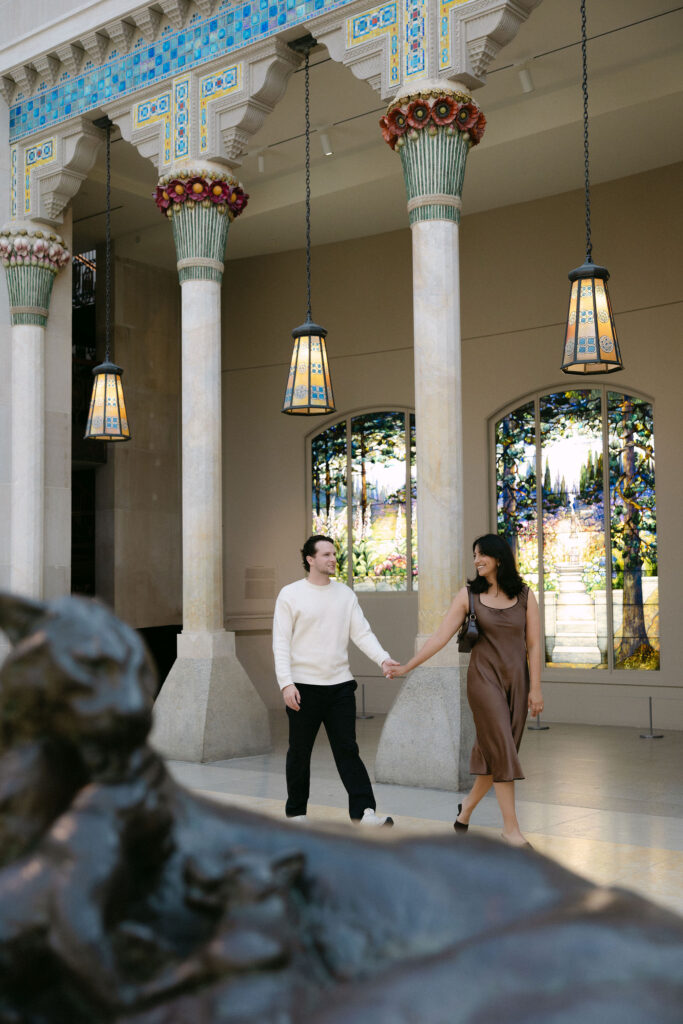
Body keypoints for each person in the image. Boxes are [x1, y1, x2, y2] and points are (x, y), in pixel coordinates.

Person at [387, 534, 543, 847]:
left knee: (496, 754)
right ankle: (511, 830)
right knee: (502, 750)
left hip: (518, 681)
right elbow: (439, 638)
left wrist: (536, 688)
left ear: (499, 558)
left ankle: (466, 810)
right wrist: (407, 666)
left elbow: (535, 643)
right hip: (484, 681)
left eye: (482, 555)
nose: (476, 561)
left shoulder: (525, 595)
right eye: (474, 555)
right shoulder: (468, 595)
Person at [272, 535, 400, 826]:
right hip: (302, 688)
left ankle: (364, 812)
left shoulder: (345, 595)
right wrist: (286, 683)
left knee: (348, 750)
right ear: (310, 559)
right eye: (326, 554)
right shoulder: (290, 594)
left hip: (340, 687)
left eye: (334, 554)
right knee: (299, 753)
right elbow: (280, 643)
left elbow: (362, 633)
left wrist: (383, 658)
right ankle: (296, 814)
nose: (333, 559)